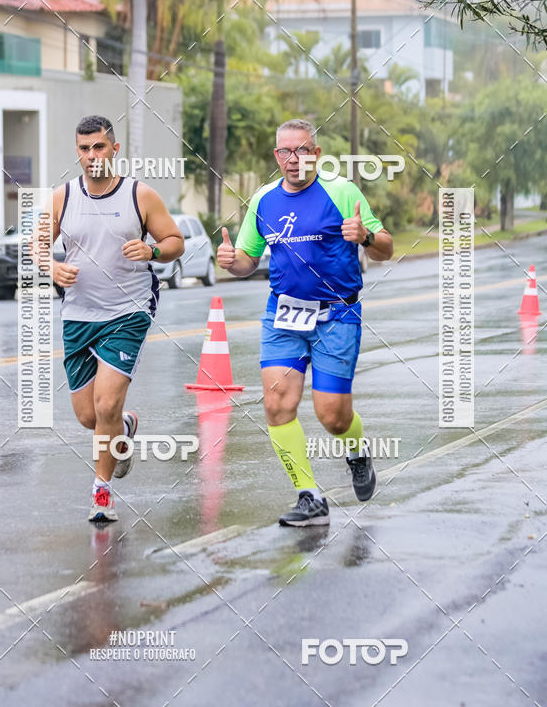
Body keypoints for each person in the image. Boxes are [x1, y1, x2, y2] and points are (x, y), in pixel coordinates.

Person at [217, 119, 393, 526]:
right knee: (277, 404)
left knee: (333, 416)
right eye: (284, 152)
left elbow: (386, 247)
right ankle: (309, 496)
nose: (292, 160)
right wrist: (233, 263)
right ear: (276, 156)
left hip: (337, 314)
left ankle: (356, 450)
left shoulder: (342, 192)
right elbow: (247, 258)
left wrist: (365, 237)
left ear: (316, 153)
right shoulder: (263, 201)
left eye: (301, 151)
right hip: (283, 315)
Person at [37, 115, 184, 523]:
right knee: (89, 416)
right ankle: (125, 427)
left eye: (98, 147)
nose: (91, 156)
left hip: (128, 311)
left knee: (105, 404)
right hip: (78, 314)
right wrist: (51, 267)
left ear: (114, 149)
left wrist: (152, 252)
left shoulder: (140, 195)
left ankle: (102, 491)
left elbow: (175, 241)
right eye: (84, 149)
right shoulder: (62, 197)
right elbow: (37, 245)